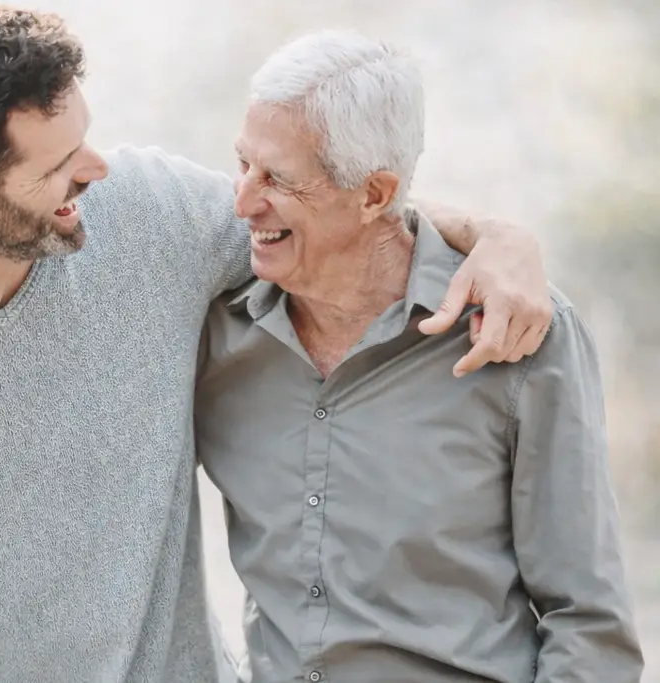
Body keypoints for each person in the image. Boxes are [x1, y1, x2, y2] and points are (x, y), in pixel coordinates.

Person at [0, 6, 551, 683]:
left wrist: (495, 236)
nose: (94, 170)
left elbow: (326, 213)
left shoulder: (145, 215)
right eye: (57, 167)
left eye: (82, 140)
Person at [195, 31, 642, 683]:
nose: (241, 202)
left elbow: (589, 629)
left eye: (278, 179)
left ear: (375, 194)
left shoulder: (516, 332)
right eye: (242, 163)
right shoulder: (217, 325)